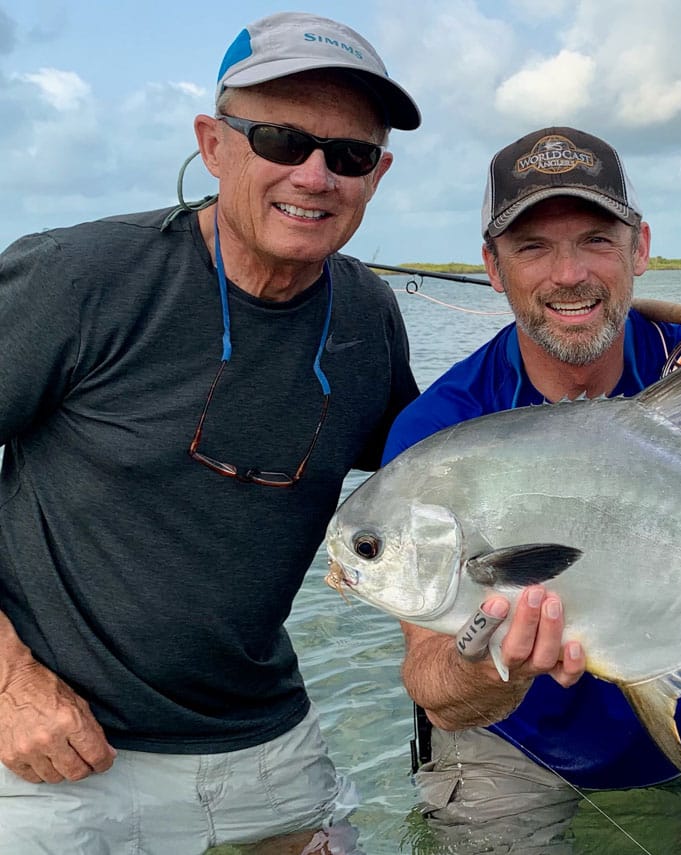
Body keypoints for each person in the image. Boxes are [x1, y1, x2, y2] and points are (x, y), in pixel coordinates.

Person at [0, 12, 420, 853]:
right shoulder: (78, 276)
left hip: (264, 741)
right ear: (214, 142)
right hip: (51, 746)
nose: (314, 174)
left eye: (348, 156)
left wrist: (659, 384)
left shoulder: (369, 314)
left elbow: (441, 471)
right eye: (279, 138)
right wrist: (7, 682)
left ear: (377, 175)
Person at [380, 127, 681, 832]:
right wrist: (496, 665)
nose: (568, 274)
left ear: (639, 247)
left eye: (595, 239)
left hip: (671, 714)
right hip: (501, 749)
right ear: (493, 267)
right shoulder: (438, 433)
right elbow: (433, 686)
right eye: (532, 247)